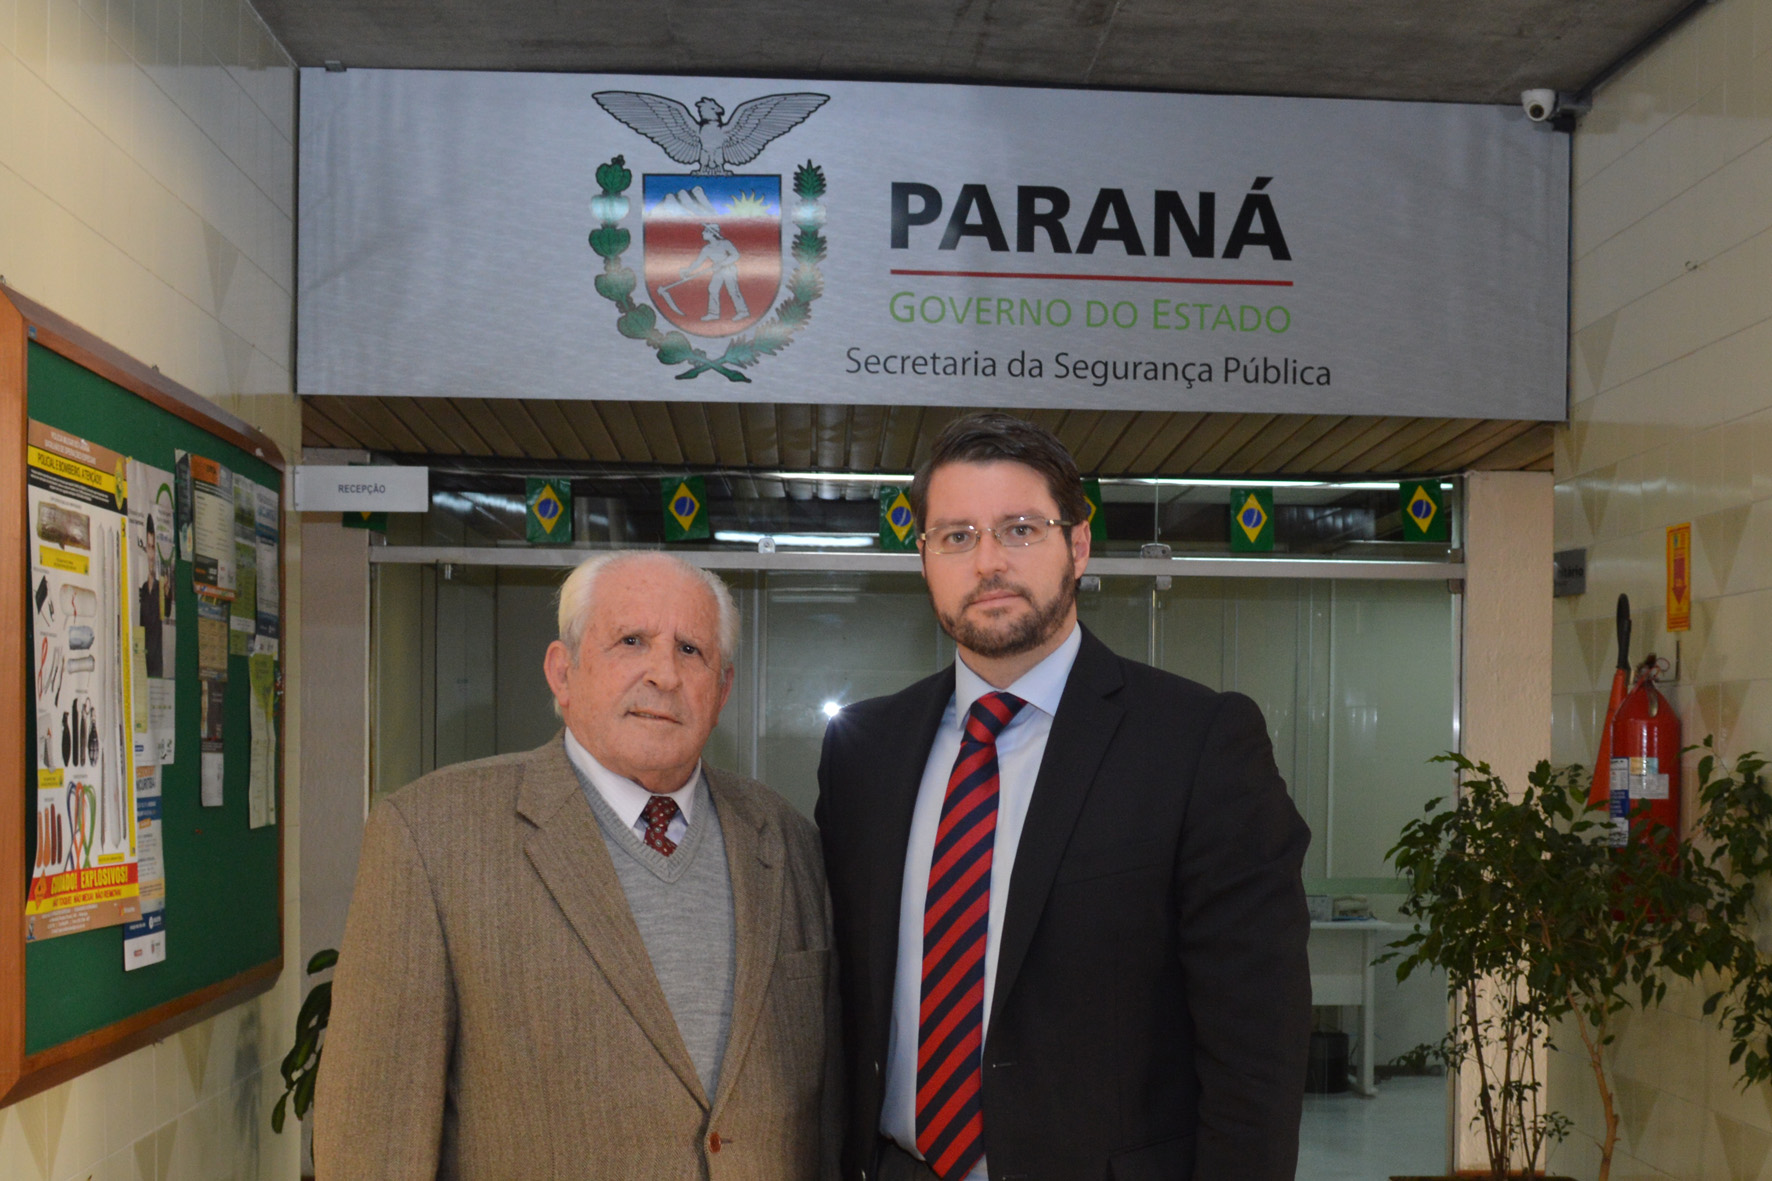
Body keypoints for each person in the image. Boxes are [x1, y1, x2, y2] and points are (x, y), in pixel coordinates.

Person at [817, 413, 1311, 1181]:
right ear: (923, 558)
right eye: (956, 535)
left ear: (1077, 545)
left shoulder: (1197, 742)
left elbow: (1257, 1049)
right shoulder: (863, 751)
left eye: (1019, 529)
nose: (988, 561)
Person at [318, 551, 839, 1179]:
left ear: (722, 691)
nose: (664, 674)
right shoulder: (431, 837)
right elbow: (373, 1142)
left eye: (690, 650)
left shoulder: (787, 841)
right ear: (562, 673)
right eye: (631, 641)